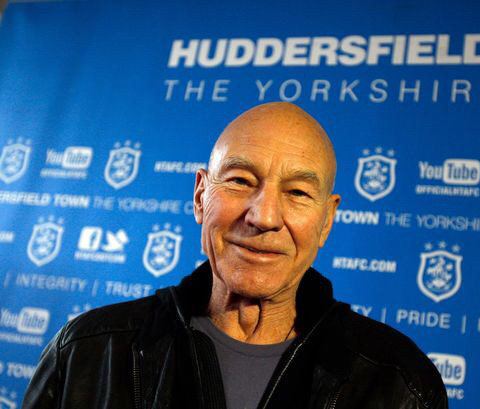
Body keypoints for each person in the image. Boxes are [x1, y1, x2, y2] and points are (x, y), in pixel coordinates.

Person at [22, 102, 447, 409]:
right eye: (241, 181)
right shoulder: (86, 351)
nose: (264, 217)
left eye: (298, 192)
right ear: (200, 196)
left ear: (326, 221)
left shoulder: (400, 382)